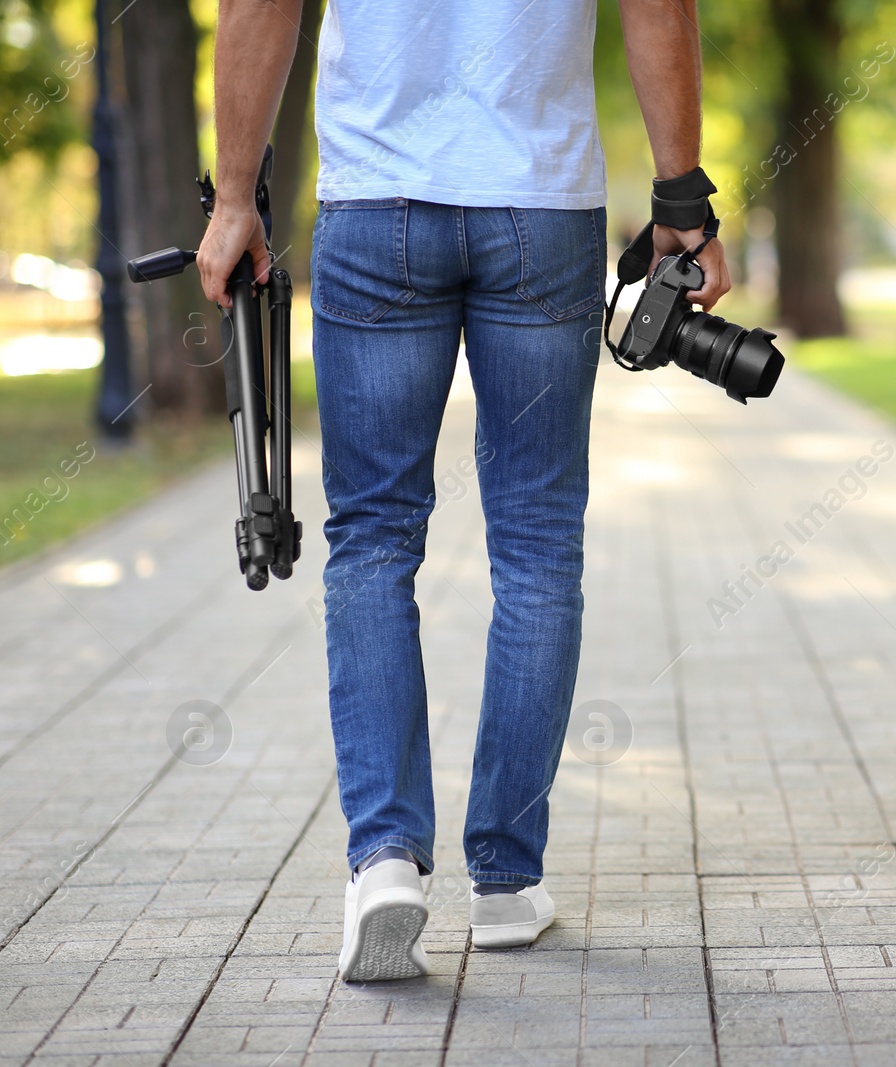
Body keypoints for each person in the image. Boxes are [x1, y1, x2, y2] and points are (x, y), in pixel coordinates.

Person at [197, 0, 730, 982]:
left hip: (377, 200)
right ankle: (503, 878)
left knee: (372, 542)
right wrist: (681, 197)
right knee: (536, 545)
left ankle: (385, 859)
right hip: (539, 203)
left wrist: (236, 197)